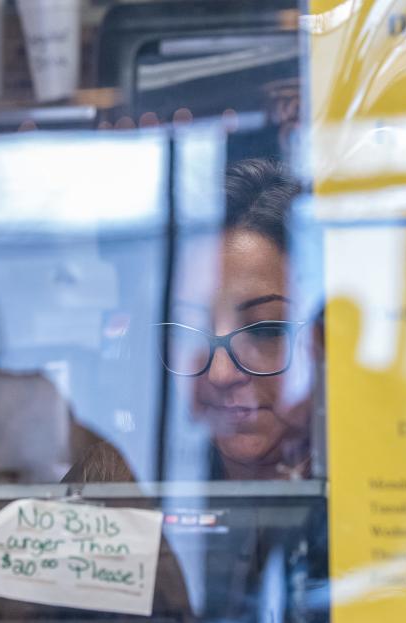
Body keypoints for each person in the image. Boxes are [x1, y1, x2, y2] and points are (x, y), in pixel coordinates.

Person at [65, 157, 323, 483]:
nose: (220, 373)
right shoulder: (115, 487)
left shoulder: (383, 491)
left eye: (266, 330)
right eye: (189, 333)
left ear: (326, 340)